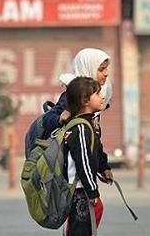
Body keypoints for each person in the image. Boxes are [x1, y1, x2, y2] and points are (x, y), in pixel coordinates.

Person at [46, 77, 105, 236]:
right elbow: (83, 162)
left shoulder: (88, 124)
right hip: (78, 193)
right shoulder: (80, 127)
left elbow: (97, 150)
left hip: (79, 191)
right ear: (84, 100)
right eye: (97, 94)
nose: (102, 97)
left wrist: (105, 167)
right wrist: (92, 190)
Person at [43, 48, 114, 183]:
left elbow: (94, 140)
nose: (106, 74)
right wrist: (60, 118)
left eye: (106, 69)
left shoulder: (92, 102)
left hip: (83, 179)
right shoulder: (74, 98)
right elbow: (47, 119)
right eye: (101, 69)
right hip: (69, 181)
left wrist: (103, 167)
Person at [0, 76, 21, 169]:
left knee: (8, 142)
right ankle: (5, 162)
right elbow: (9, 110)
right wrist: (17, 107)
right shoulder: (3, 96)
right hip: (6, 121)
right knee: (8, 142)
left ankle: (5, 162)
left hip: (4, 121)